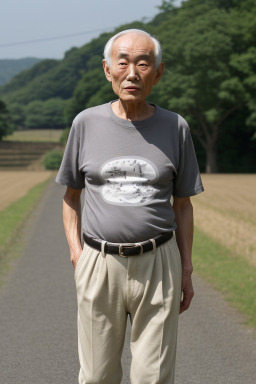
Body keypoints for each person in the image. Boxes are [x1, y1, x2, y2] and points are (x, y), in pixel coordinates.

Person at [56, 28, 204, 384]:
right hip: (98, 261)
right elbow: (71, 198)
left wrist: (185, 268)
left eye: (143, 63)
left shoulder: (176, 127)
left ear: (158, 72)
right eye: (123, 62)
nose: (132, 73)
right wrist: (78, 255)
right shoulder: (85, 124)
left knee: (152, 377)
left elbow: (182, 206)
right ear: (108, 70)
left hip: (159, 262)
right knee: (96, 376)